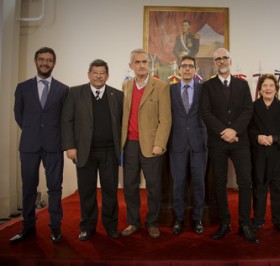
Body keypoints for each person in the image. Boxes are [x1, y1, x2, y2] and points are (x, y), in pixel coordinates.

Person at [200, 48, 259, 243]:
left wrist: (234, 131)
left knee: (245, 182)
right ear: (214, 63)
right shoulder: (207, 86)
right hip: (218, 142)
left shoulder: (242, 85)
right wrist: (224, 132)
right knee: (219, 183)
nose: (221, 61)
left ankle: (244, 225)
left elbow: (247, 110)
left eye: (224, 57)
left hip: (239, 141)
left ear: (230, 61)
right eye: (218, 59)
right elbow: (206, 112)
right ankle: (224, 223)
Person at [11, 47, 68, 244]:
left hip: (53, 145)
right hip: (29, 144)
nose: (45, 63)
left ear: (54, 63)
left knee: (55, 188)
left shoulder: (63, 89)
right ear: (35, 61)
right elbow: (19, 115)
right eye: (42, 59)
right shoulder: (23, 87)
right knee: (28, 187)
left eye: (49, 60)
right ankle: (27, 226)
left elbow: (65, 119)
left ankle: (55, 228)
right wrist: (34, 131)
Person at [61, 59, 123, 241]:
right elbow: (67, 121)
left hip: (110, 152)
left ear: (107, 75)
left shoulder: (117, 95)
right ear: (89, 74)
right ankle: (87, 227)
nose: (98, 76)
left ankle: (111, 226)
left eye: (102, 73)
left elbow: (121, 124)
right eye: (95, 72)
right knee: (87, 191)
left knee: (110, 192)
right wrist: (70, 146)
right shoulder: (75, 93)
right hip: (84, 152)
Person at [121, 49, 171, 239]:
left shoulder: (161, 86)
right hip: (130, 145)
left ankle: (152, 223)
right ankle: (133, 222)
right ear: (131, 66)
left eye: (144, 62)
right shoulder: (125, 85)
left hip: (152, 146)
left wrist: (159, 143)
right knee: (130, 186)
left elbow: (166, 120)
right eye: (137, 62)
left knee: (153, 187)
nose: (142, 65)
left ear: (149, 64)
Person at [248, 74, 280, 233]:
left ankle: (278, 220)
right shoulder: (252, 108)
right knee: (259, 189)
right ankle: (258, 220)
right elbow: (245, 129)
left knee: (278, 189)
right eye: (264, 86)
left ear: (276, 89)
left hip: (279, 156)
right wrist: (257, 137)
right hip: (259, 155)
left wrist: (275, 138)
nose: (268, 88)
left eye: (271, 86)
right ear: (260, 89)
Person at [169, 55, 207, 235]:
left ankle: (197, 219)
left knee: (199, 183)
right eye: (183, 66)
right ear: (178, 70)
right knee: (178, 183)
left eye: (190, 66)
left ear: (195, 70)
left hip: (198, 143)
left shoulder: (202, 90)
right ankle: (179, 219)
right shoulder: (170, 90)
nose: (186, 69)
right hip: (177, 144)